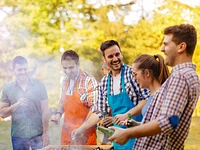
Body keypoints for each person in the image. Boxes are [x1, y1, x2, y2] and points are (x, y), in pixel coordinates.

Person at [109, 24, 200, 150]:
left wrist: (126, 133)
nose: (162, 49)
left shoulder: (181, 76)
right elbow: (165, 128)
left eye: (166, 44)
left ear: (181, 47)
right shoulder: (184, 75)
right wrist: (137, 125)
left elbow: (167, 121)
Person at [72, 40, 150, 150]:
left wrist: (127, 114)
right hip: (119, 141)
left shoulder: (132, 74)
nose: (115, 59)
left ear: (121, 53)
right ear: (104, 59)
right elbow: (99, 111)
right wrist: (82, 128)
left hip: (139, 138)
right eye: (110, 56)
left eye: (117, 54)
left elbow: (147, 100)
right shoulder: (104, 82)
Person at [0, 56, 50, 150]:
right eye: (19, 70)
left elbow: (45, 111)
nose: (23, 72)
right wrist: (16, 105)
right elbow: (2, 114)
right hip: (18, 135)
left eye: (25, 69)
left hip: (38, 134)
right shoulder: (8, 89)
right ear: (13, 70)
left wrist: (46, 133)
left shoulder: (39, 86)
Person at [51, 50, 98, 145]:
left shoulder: (88, 81)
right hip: (66, 135)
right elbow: (62, 101)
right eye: (65, 68)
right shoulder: (65, 81)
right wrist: (58, 114)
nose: (68, 71)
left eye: (71, 67)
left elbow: (96, 112)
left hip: (85, 136)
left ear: (78, 64)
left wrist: (82, 129)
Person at [113, 54, 170, 126]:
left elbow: (160, 128)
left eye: (135, 74)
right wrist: (135, 124)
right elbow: (152, 125)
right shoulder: (152, 96)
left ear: (147, 73)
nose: (134, 78)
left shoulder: (160, 97)